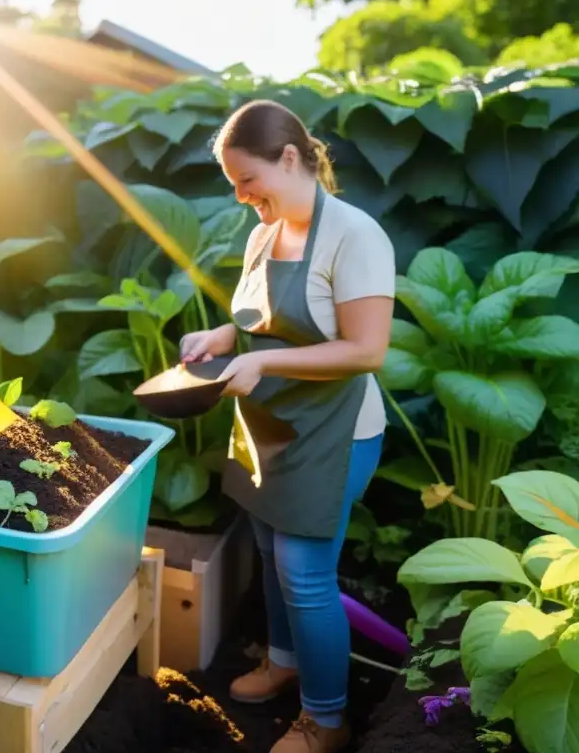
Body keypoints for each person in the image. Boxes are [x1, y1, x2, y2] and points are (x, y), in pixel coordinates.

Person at [180, 99, 395, 753]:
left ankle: (326, 721)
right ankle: (284, 660)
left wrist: (263, 360)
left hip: (336, 432)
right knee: (271, 556)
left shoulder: (355, 236)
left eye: (248, 181)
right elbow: (258, 323)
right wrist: (218, 338)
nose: (243, 197)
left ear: (292, 158)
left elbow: (366, 350)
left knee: (304, 570)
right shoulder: (262, 234)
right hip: (269, 423)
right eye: (233, 186)